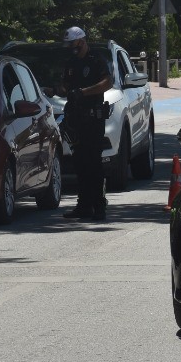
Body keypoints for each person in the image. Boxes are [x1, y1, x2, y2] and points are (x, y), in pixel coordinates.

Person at [60, 26, 114, 221]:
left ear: (81, 41)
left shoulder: (96, 59)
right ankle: (83, 206)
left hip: (93, 119)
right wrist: (57, 90)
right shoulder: (71, 62)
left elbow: (107, 83)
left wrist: (83, 92)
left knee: (94, 163)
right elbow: (66, 85)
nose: (70, 47)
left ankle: (99, 206)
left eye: (72, 44)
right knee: (80, 163)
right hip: (76, 120)